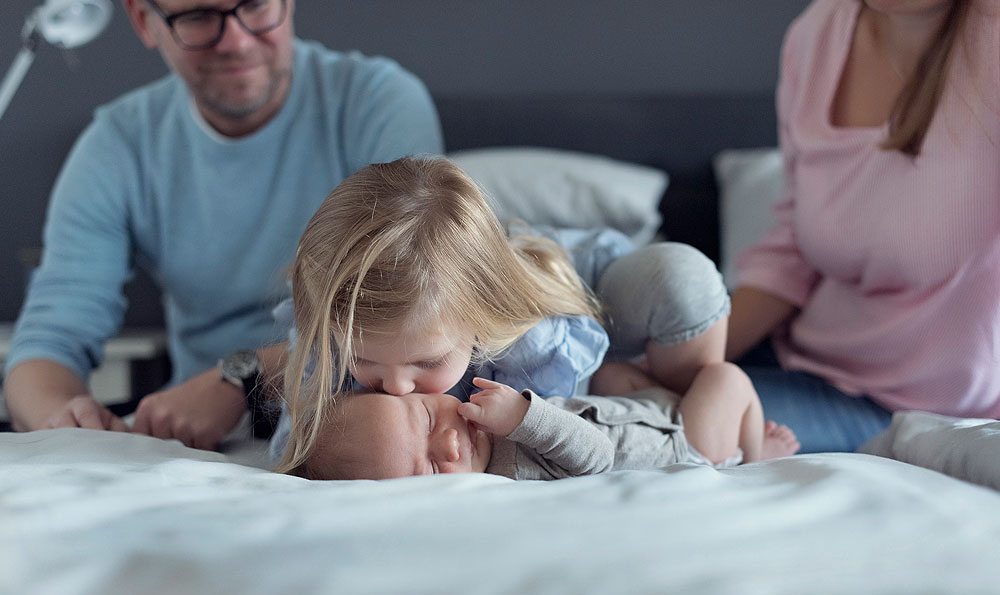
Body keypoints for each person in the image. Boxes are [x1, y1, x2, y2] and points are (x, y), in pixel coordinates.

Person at [2, 0, 443, 448]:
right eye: (197, 17)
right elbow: (49, 337)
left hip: (354, 423)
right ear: (143, 21)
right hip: (191, 443)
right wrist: (61, 420)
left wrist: (245, 377)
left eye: (254, 5)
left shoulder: (377, 102)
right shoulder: (117, 146)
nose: (235, 40)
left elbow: (417, 308)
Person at [271, 155, 732, 473]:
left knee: (680, 279)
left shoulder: (531, 338)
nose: (394, 388)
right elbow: (305, 447)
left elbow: (569, 436)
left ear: (480, 317)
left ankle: (688, 401)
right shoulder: (332, 332)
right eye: (366, 361)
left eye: (427, 362)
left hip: (578, 298)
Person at [726, 0, 999, 453]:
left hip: (911, 409)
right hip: (803, 357)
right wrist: (683, 362)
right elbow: (792, 250)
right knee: (622, 384)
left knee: (679, 428)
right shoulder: (818, 33)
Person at [288, 374, 800, 481]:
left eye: (426, 418)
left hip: (639, 411)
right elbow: (596, 457)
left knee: (614, 373)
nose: (448, 442)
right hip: (678, 445)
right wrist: (524, 417)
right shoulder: (508, 475)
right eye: (427, 468)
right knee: (725, 378)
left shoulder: (482, 416)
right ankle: (751, 463)